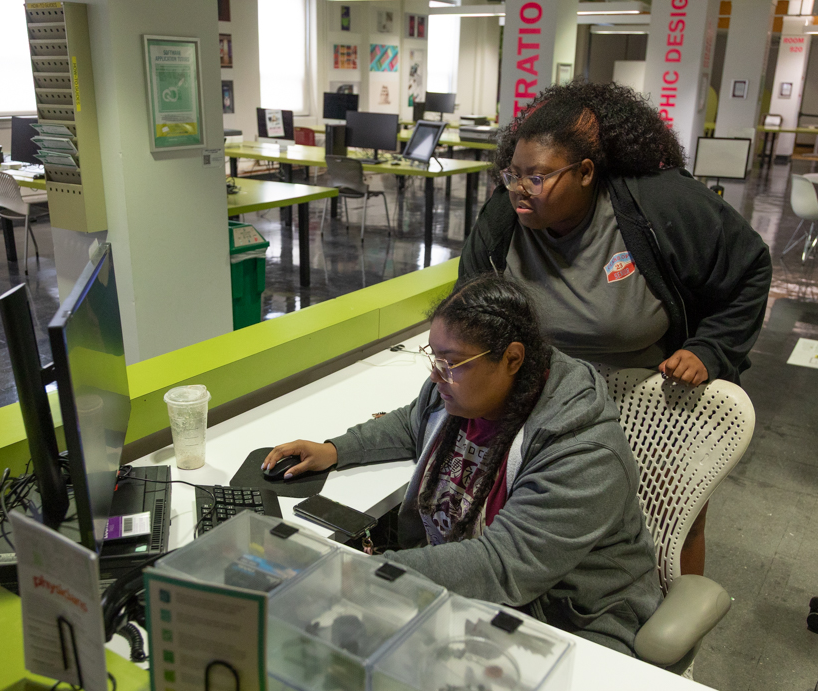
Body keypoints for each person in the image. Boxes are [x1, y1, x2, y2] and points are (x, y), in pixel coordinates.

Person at [459, 81, 773, 575]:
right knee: (548, 524)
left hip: (656, 403)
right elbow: (472, 307)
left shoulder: (661, 205)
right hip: (547, 402)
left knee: (666, 528)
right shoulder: (504, 216)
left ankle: (668, 626)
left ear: (586, 172)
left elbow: (750, 268)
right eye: (512, 174)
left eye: (537, 177)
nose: (519, 188)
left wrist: (711, 349)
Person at [264, 275, 662, 656]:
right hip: (482, 604)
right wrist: (336, 449)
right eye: (433, 357)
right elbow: (413, 420)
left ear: (512, 359)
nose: (436, 375)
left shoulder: (583, 450)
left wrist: (364, 572)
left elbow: (502, 564)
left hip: (571, 622)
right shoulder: (462, 391)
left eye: (450, 362)